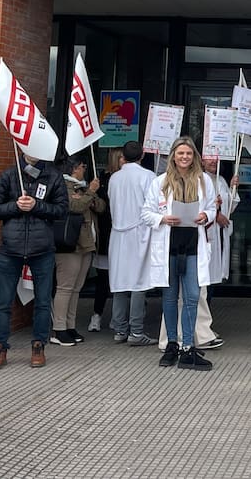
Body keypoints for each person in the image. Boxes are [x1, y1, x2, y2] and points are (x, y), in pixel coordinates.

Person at [0, 150, 69, 370]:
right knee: (3, 302)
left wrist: (37, 206)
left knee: (42, 302)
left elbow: (62, 210)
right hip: (10, 249)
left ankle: (38, 345)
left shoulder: (53, 176)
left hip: (42, 249)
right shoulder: (10, 175)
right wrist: (15, 206)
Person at [145, 137, 216, 370]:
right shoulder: (160, 182)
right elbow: (146, 213)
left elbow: (212, 208)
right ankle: (172, 345)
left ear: (194, 156)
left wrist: (206, 216)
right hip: (169, 246)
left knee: (193, 296)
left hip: (193, 246)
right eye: (180, 153)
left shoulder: (204, 180)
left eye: (188, 153)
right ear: (173, 156)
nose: (184, 157)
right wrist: (162, 218)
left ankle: (188, 346)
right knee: (169, 297)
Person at [107, 141, 162, 347]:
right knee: (139, 282)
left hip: (118, 233)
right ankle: (136, 331)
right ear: (142, 155)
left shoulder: (114, 178)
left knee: (120, 282)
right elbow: (155, 205)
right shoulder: (148, 176)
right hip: (140, 233)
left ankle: (120, 329)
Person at [50, 156, 104, 346]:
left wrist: (89, 194)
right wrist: (89, 193)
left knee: (76, 288)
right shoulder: (62, 186)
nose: (85, 169)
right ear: (73, 169)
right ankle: (58, 328)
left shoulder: (82, 187)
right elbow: (75, 207)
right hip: (70, 245)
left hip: (86, 244)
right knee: (65, 287)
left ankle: (70, 325)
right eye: (82, 166)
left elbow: (101, 206)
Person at [195, 156, 236, 351]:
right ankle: (201, 329)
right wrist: (215, 213)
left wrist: (232, 188)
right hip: (206, 237)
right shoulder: (199, 179)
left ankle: (205, 327)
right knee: (204, 283)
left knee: (210, 283)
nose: (214, 161)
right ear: (201, 160)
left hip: (219, 238)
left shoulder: (220, 180)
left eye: (216, 158)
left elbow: (230, 207)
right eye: (209, 158)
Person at [88, 149, 123, 333]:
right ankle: (97, 315)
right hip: (107, 233)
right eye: (122, 157)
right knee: (104, 278)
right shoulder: (102, 181)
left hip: (120, 233)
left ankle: (117, 318)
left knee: (122, 279)